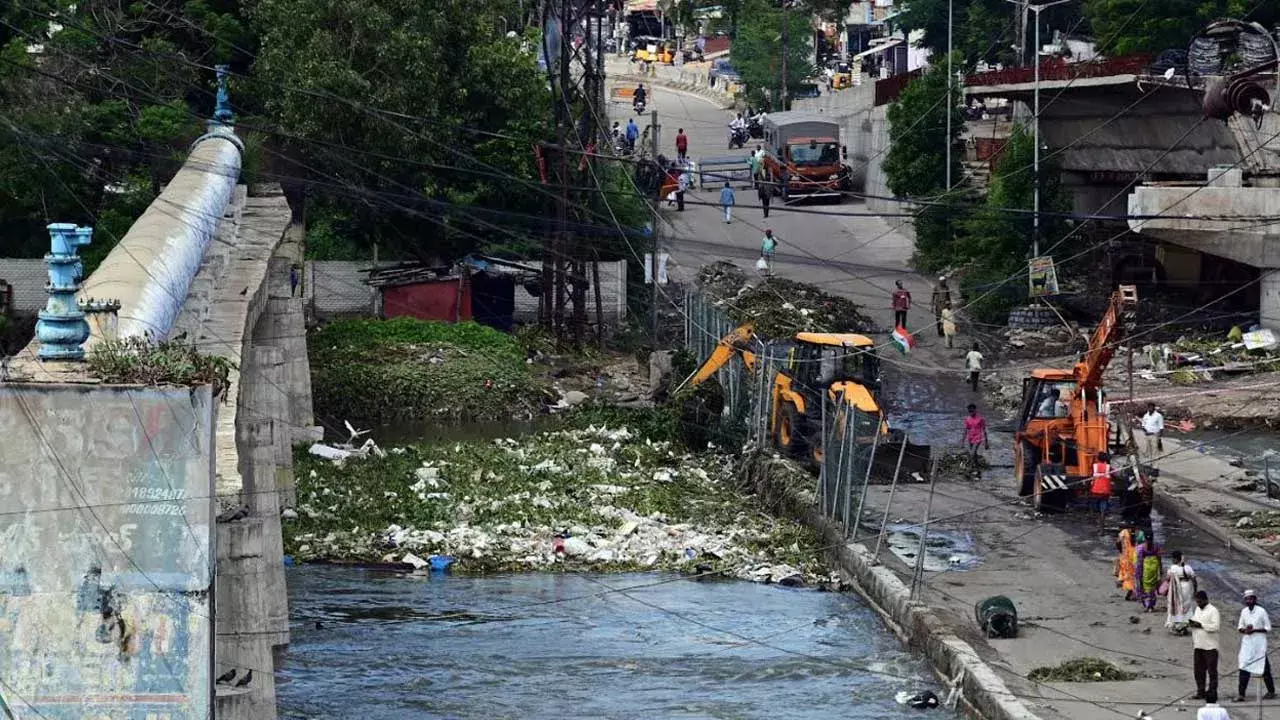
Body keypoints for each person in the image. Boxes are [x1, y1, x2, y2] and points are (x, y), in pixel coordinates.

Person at [1236, 590, 1276, 701]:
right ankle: (1241, 694)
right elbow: (1240, 627)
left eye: (1251, 599)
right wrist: (1245, 630)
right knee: (1244, 667)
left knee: (1264, 667)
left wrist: (1255, 630)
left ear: (1255, 599)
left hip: (1259, 644)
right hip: (1247, 643)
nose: (1249, 601)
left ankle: (1271, 691)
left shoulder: (1261, 611)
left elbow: (1268, 628)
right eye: (1247, 599)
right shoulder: (1244, 611)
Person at [1191, 591, 1222, 700]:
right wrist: (1193, 624)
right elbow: (1195, 621)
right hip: (1198, 645)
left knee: (1212, 671)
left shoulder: (1213, 610)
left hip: (1210, 646)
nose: (1198, 604)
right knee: (1198, 671)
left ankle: (1212, 693)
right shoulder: (1197, 609)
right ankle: (1201, 691)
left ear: (1205, 600)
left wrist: (1202, 625)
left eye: (1200, 601)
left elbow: (1215, 627)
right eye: (1197, 602)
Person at [1166, 551, 1199, 634]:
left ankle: (1178, 626)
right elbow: (1194, 580)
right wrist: (1195, 591)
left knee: (1177, 607)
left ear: (1176, 559)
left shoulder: (1173, 568)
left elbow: (1168, 578)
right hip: (1188, 588)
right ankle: (1184, 625)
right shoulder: (1188, 568)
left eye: (1173, 559)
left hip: (1177, 590)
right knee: (1187, 607)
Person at [1135, 532, 1162, 612]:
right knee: (1152, 588)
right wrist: (1160, 569)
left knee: (1145, 587)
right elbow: (1159, 558)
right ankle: (1151, 605)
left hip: (1146, 569)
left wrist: (1138, 572)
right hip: (1154, 569)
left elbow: (1139, 561)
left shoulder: (1141, 548)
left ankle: (1148, 605)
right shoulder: (1156, 546)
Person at [1089, 451, 1113, 528]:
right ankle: (1102, 525)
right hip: (1105, 492)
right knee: (1103, 508)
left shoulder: (1094, 466)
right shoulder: (1109, 467)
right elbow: (1115, 475)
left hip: (1095, 491)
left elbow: (1091, 475)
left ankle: (1095, 521)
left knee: (1094, 505)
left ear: (1098, 459)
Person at [963, 404, 989, 469]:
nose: (971, 413)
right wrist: (962, 442)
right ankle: (978, 470)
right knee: (974, 455)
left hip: (978, 439)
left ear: (975, 410)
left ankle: (971, 468)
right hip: (970, 438)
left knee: (972, 454)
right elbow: (965, 431)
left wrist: (986, 442)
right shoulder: (967, 419)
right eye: (969, 411)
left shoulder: (980, 419)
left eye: (972, 411)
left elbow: (984, 431)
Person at [1115, 526, 1138, 600]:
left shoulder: (1124, 532)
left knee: (1125, 572)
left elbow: (1118, 542)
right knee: (1133, 574)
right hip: (1134, 556)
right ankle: (1131, 591)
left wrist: (1120, 550)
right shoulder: (1139, 533)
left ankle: (1127, 586)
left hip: (1125, 556)